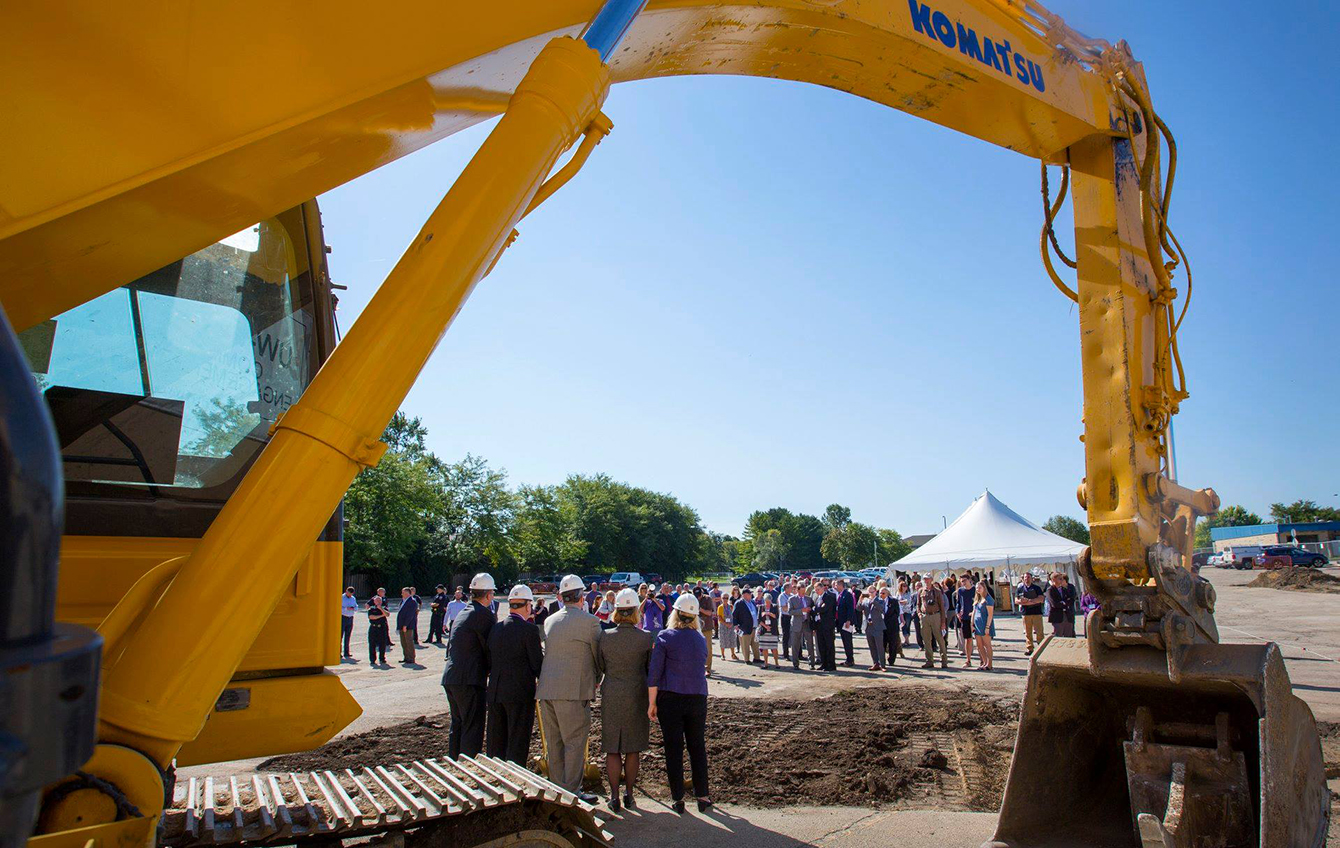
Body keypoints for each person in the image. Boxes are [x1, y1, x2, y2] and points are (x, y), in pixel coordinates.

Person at [537, 575, 603, 803]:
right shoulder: (590, 622)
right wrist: (597, 678)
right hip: (573, 692)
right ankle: (572, 793)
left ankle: (557, 791)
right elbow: (598, 655)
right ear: (582, 596)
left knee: (555, 744)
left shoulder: (550, 620)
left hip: (547, 690)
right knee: (574, 742)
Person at [648, 594, 711, 814]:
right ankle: (703, 795)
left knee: (673, 748)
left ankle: (678, 798)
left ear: (675, 613)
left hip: (671, 698)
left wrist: (652, 703)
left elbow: (654, 674)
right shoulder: (700, 639)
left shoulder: (665, 637)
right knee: (697, 746)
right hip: (697, 697)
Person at [598, 589, 653, 811]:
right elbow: (650, 669)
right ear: (635, 612)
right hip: (636, 695)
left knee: (613, 748)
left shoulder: (605, 637)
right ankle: (629, 794)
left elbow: (600, 666)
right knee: (632, 748)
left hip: (611, 694)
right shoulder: (645, 638)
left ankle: (613, 796)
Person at [486, 585, 543, 764]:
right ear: (527, 606)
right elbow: (537, 664)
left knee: (496, 742)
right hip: (519, 695)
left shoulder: (496, 628)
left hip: (496, 692)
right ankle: (516, 780)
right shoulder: (529, 630)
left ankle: (495, 776)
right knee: (517, 742)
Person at [442, 573, 496, 758]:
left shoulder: (463, 613)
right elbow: (490, 648)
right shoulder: (484, 616)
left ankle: (454, 764)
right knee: (472, 727)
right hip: (469, 680)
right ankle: (468, 768)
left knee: (457, 725)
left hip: (452, 677)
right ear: (489, 594)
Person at [917, 576, 949, 669]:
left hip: (936, 616)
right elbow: (918, 604)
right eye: (924, 579)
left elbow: (942, 608)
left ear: (931, 580)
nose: (926, 581)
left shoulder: (937, 591)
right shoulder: (920, 591)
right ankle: (929, 661)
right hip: (924, 616)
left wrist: (943, 622)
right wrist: (919, 613)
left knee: (940, 639)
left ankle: (944, 661)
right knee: (926, 640)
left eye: (928, 579)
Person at [1014, 572, 1046, 655]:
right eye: (1025, 577)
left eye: (1028, 577)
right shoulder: (1020, 589)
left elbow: (1041, 599)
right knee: (1028, 632)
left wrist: (1028, 601)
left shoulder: (1037, 588)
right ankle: (1030, 648)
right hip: (1026, 613)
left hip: (1036, 613)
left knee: (1039, 631)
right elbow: (1016, 601)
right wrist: (1028, 602)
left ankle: (1041, 647)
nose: (1026, 579)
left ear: (1032, 579)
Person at [786, 583, 812, 670]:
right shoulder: (792, 599)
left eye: (804, 592)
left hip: (806, 623)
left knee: (810, 644)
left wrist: (809, 610)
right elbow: (790, 612)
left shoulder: (808, 599)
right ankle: (795, 664)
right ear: (797, 590)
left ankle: (811, 663)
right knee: (795, 644)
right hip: (796, 624)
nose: (803, 593)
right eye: (801, 592)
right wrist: (801, 611)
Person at [861, 588, 886, 671]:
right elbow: (858, 608)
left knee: (880, 647)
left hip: (878, 626)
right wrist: (860, 600)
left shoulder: (880, 600)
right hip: (869, 626)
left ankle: (882, 665)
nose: (871, 593)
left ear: (875, 592)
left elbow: (882, 609)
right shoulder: (866, 601)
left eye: (872, 592)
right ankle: (875, 663)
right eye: (869, 592)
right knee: (872, 646)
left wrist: (874, 601)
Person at [732, 588, 760, 664]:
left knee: (755, 644)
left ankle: (757, 658)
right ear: (745, 595)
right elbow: (734, 615)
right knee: (745, 645)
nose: (751, 595)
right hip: (744, 627)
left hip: (754, 627)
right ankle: (747, 659)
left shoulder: (753, 602)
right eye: (749, 593)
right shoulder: (739, 603)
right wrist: (735, 625)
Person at [972, 580, 996, 670]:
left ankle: (989, 664)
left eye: (980, 588)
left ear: (984, 588)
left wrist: (987, 627)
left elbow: (990, 614)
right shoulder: (977, 599)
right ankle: (984, 662)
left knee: (987, 645)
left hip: (985, 624)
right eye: (977, 588)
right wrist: (972, 624)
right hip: (977, 625)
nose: (978, 589)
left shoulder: (988, 599)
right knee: (979, 645)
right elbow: (974, 612)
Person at [955, 575, 976, 667]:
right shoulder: (960, 591)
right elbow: (958, 603)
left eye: (964, 580)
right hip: (965, 618)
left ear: (969, 580)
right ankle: (968, 660)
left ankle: (984, 660)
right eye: (961, 581)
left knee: (980, 639)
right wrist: (957, 612)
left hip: (975, 617)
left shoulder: (975, 590)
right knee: (967, 638)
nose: (963, 583)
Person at [835, 579, 856, 667]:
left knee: (847, 641)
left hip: (846, 622)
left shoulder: (847, 595)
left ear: (841, 585)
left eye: (836, 585)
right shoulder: (840, 595)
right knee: (845, 640)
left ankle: (850, 660)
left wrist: (848, 620)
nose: (835, 587)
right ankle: (848, 658)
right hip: (841, 622)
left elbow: (851, 609)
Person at [696, 587, 716, 675]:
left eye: (699, 595)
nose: (698, 597)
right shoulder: (693, 599)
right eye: (697, 596)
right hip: (696, 627)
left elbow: (709, 613)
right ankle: (699, 668)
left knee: (708, 648)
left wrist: (700, 609)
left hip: (707, 627)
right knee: (697, 649)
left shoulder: (707, 599)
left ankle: (708, 668)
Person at [367, 592, 391, 665]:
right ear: (374, 601)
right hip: (373, 627)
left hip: (382, 627)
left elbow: (387, 614)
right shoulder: (371, 608)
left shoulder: (384, 607)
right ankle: (372, 659)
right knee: (372, 644)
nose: (378, 602)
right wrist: (381, 616)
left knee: (382, 644)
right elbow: (371, 617)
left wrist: (381, 609)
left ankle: (382, 658)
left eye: (379, 601)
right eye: (376, 601)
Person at [757, 593, 780, 668]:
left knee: (774, 648)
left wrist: (769, 613)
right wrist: (765, 626)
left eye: (768, 601)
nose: (767, 603)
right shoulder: (761, 607)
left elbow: (776, 616)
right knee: (764, 648)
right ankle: (766, 663)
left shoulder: (775, 606)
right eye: (766, 601)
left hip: (773, 630)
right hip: (764, 630)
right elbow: (759, 619)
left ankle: (777, 663)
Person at [396, 587, 419, 664]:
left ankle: (411, 658)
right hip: (401, 625)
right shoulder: (403, 601)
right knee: (403, 642)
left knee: (409, 642)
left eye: (404, 592)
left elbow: (410, 615)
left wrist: (405, 625)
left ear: (408, 593)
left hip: (408, 625)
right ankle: (406, 657)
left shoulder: (412, 601)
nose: (402, 594)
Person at [880, 585, 901, 667]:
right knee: (882, 644)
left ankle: (891, 660)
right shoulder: (878, 601)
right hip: (881, 626)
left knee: (893, 644)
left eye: (883, 593)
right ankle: (882, 660)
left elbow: (897, 612)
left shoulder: (894, 601)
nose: (881, 595)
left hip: (892, 626)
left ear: (887, 593)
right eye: (880, 593)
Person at [1047, 572, 1073, 637]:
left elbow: (1071, 599)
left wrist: (1064, 603)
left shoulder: (1064, 589)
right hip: (1057, 616)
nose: (1062, 580)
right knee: (1058, 634)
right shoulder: (1050, 590)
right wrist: (1064, 603)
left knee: (1069, 634)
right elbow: (1054, 603)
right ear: (1054, 579)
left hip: (1067, 615)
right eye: (1060, 579)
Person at [897, 580, 919, 650]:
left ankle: (906, 639)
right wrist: (902, 602)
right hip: (901, 612)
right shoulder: (898, 594)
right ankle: (907, 640)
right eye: (903, 586)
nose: (905, 587)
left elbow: (908, 602)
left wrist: (901, 602)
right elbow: (897, 602)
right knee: (903, 626)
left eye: (906, 586)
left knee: (907, 625)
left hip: (908, 612)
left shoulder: (909, 593)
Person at [716, 593, 737, 660]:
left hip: (731, 625)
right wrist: (725, 624)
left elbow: (734, 615)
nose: (725, 599)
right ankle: (723, 655)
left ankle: (733, 654)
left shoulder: (731, 606)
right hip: (723, 626)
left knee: (732, 639)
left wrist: (731, 624)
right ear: (721, 599)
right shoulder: (720, 607)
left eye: (726, 598)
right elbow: (719, 617)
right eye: (724, 598)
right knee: (723, 640)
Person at [340, 586, 357, 659]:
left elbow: (356, 606)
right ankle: (338, 652)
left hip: (350, 618)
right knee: (340, 636)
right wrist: (346, 608)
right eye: (349, 593)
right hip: (343, 617)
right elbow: (338, 608)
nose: (350, 595)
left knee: (348, 636)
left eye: (351, 594)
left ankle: (346, 652)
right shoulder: (341, 598)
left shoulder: (353, 598)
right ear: (346, 591)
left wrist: (353, 608)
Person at [779, 582, 793, 661]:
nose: (791, 589)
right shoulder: (782, 596)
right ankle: (785, 654)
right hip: (785, 617)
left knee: (794, 635)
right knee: (786, 635)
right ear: (786, 588)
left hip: (791, 616)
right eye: (790, 587)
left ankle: (798, 654)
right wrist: (791, 606)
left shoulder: (791, 596)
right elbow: (784, 608)